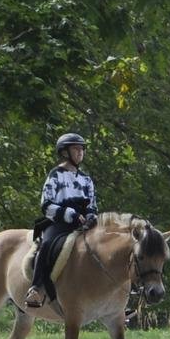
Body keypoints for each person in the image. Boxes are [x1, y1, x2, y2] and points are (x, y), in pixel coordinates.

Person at [28, 132, 97, 307]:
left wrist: (90, 216)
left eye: (82, 149)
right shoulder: (55, 175)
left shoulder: (86, 179)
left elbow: (92, 204)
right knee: (46, 245)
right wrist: (70, 214)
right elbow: (46, 204)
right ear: (65, 152)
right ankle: (35, 289)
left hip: (84, 225)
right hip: (60, 222)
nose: (80, 152)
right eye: (76, 149)